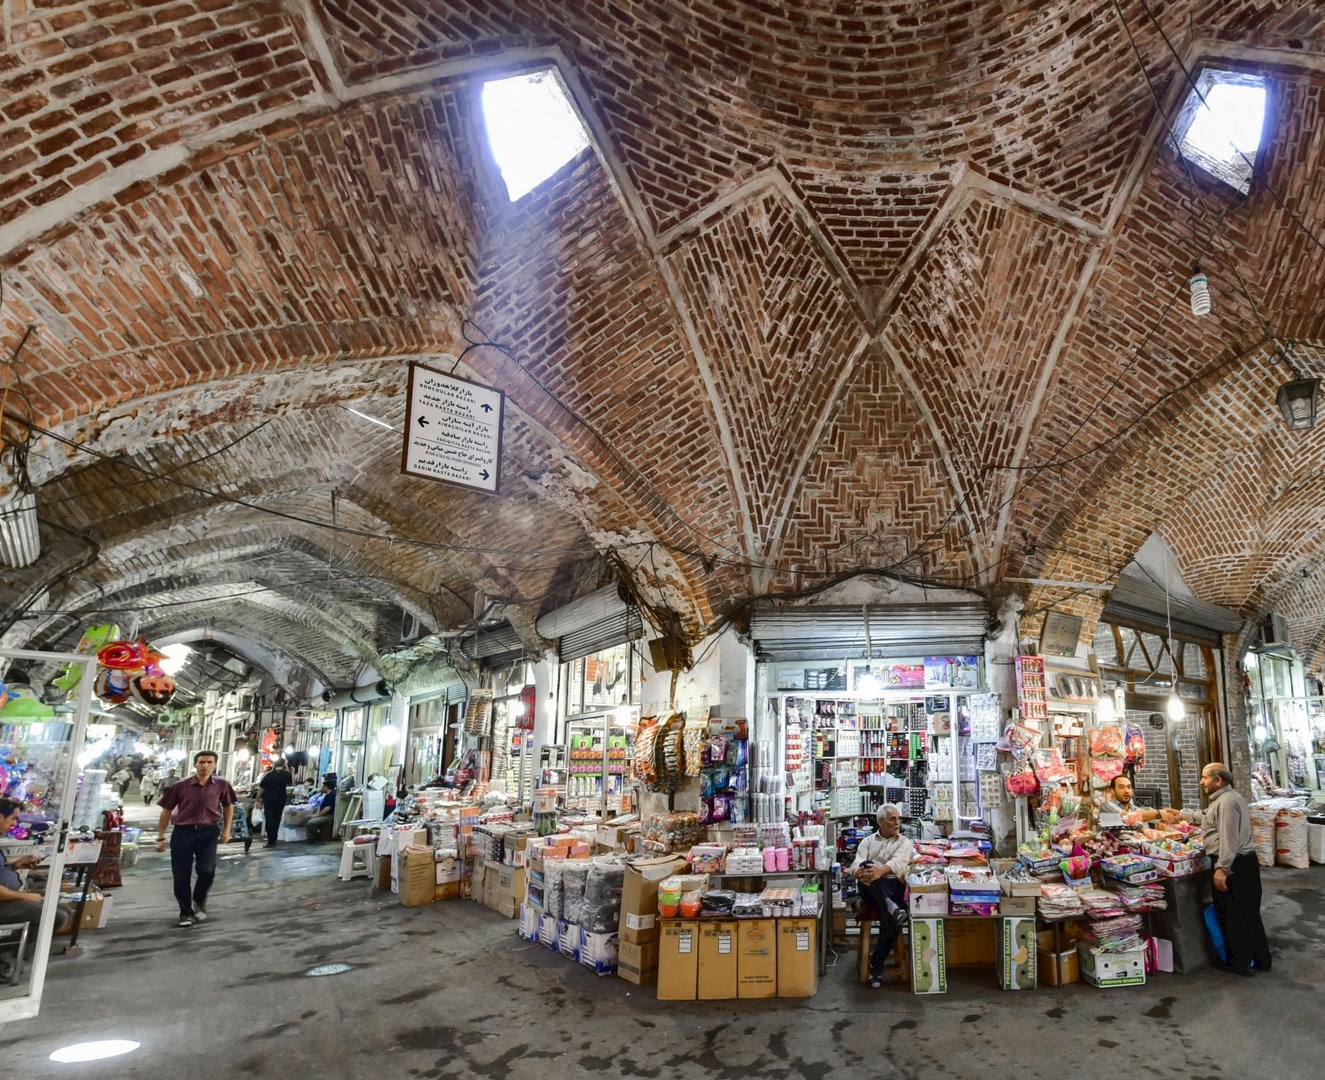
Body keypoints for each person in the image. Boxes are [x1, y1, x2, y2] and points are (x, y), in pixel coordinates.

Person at [1161, 762, 1272, 976]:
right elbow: (1206, 818)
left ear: (1218, 780)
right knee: (1248, 914)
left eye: (1205, 777)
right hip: (1242, 863)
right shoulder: (1224, 800)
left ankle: (1239, 962)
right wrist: (1182, 814)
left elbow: (1228, 840)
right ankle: (1261, 959)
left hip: (1235, 865)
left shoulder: (1227, 803)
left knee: (1232, 915)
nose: (1201, 781)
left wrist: (1222, 869)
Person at [154, 751, 235, 928]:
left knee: (207, 870)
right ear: (195, 764)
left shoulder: (222, 785)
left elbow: (228, 806)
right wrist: (161, 836)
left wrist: (227, 830)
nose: (205, 765)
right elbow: (166, 810)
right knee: (181, 874)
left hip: (209, 832)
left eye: (209, 762)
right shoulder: (180, 786)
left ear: (214, 765)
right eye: (201, 762)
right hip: (183, 832)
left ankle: (198, 901)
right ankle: (185, 913)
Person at [0, 798, 73, 978]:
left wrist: (16, 865)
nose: (14, 824)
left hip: (10, 898)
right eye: (13, 819)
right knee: (56, 915)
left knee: (63, 909)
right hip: (4, 902)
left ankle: (10, 951)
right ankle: (11, 957)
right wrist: (24, 897)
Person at [849, 803, 914, 988]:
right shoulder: (867, 841)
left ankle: (875, 967)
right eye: (892, 819)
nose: (897, 823)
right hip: (869, 888)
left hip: (893, 886)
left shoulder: (904, 842)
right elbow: (856, 864)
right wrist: (858, 873)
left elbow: (898, 863)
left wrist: (881, 871)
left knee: (890, 918)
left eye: (899, 819)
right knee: (868, 865)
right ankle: (891, 906)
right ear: (880, 821)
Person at [257, 759, 293, 848]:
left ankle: (271, 840)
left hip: (269, 799)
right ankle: (274, 838)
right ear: (284, 764)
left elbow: (261, 788)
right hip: (281, 799)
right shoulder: (287, 774)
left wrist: (257, 799)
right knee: (277, 818)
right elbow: (291, 784)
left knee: (269, 819)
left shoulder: (268, 775)